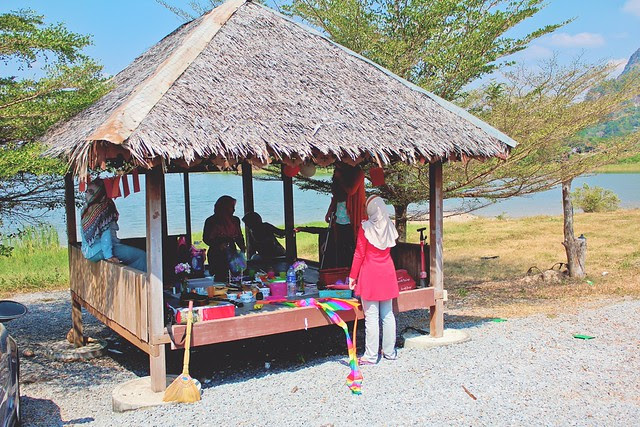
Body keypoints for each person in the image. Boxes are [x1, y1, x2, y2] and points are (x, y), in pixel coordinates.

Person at [348, 195, 399, 364]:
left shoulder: (366, 228)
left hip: (370, 273)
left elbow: (359, 254)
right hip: (387, 272)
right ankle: (390, 352)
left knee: (371, 317)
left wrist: (352, 276)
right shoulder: (390, 225)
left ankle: (371, 355)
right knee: (388, 314)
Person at [80, 178, 147, 272]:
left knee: (126, 258)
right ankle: (136, 278)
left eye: (90, 191)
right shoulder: (104, 208)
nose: (87, 194)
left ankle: (127, 275)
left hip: (88, 252)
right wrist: (109, 256)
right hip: (100, 251)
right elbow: (106, 234)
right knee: (142, 256)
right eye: (87, 191)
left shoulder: (86, 209)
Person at [323, 162, 366, 268]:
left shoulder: (358, 172)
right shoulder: (340, 176)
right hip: (339, 216)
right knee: (340, 247)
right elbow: (335, 197)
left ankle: (352, 270)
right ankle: (341, 269)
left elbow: (351, 191)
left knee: (352, 245)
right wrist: (329, 211)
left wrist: (340, 178)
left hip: (352, 217)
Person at [203, 195, 246, 280]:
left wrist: (242, 248)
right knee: (219, 278)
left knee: (235, 277)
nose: (233, 210)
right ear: (224, 208)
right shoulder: (211, 221)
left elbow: (239, 236)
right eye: (231, 207)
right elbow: (206, 238)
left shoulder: (235, 220)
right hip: (217, 253)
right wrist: (219, 245)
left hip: (232, 252)